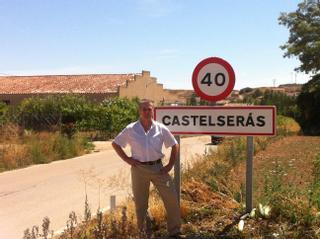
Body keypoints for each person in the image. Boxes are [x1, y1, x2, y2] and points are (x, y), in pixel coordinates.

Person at [112, 99, 185, 239]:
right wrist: (127, 159)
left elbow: (174, 145)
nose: (146, 112)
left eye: (149, 109)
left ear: (153, 111)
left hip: (159, 168)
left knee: (172, 199)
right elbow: (116, 144)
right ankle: (144, 234)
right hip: (139, 169)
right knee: (141, 204)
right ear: (139, 111)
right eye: (144, 109)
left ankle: (175, 232)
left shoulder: (160, 128)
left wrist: (169, 165)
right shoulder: (131, 129)